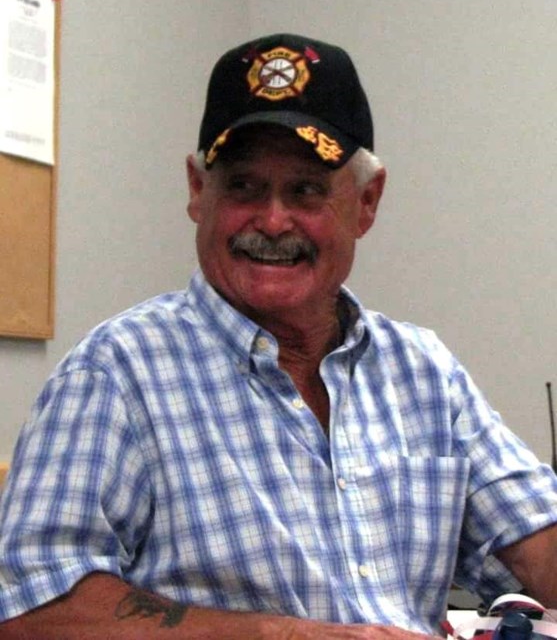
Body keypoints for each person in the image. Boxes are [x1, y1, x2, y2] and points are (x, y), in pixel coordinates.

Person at [0, 33, 556, 639]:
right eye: (243, 186)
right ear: (197, 191)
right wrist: (284, 635)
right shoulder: (116, 374)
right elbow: (30, 609)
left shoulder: (423, 373)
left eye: (306, 190)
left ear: (367, 202)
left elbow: (537, 542)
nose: (271, 221)